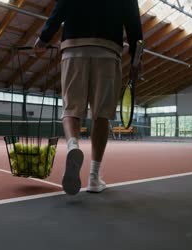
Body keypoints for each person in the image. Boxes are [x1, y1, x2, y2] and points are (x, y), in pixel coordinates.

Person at [34, 0, 143, 195]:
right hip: (108, 51)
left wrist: (44, 38)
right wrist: (136, 59)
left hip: (73, 48)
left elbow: (60, 8)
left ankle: (72, 146)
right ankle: (94, 177)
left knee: (70, 109)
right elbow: (134, 24)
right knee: (101, 114)